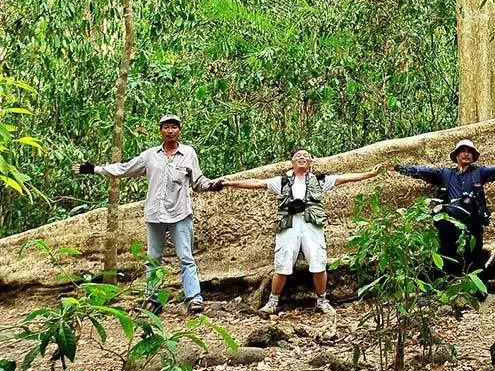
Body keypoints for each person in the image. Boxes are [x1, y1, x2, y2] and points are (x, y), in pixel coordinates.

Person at [79, 113, 222, 314]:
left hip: (180, 214)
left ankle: (194, 298)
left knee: (186, 257)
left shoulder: (189, 153)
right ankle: (153, 300)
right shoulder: (149, 156)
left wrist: (213, 185)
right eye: (166, 127)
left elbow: (198, 182)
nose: (170, 130)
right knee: (154, 259)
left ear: (179, 130)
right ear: (160, 130)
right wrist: (95, 169)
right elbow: (124, 168)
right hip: (155, 214)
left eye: (174, 127)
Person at [218, 149, 383, 314]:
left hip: (311, 225)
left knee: (318, 263)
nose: (302, 157)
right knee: (282, 264)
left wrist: (370, 174)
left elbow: (344, 178)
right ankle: (273, 302)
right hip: (289, 225)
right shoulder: (282, 181)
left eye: (306, 156)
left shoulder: (319, 180)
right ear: (292, 163)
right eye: (298, 156)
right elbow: (257, 182)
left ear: (311, 163)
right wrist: (229, 183)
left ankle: (322, 301)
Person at [391, 139, 495, 275]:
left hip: (472, 223)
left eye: (470, 151)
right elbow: (419, 171)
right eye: (462, 151)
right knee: (447, 254)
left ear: (474, 156)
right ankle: (447, 288)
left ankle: (479, 294)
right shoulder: (444, 174)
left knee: (474, 256)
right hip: (448, 223)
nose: (466, 154)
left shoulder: (480, 172)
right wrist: (396, 167)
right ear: (456, 155)